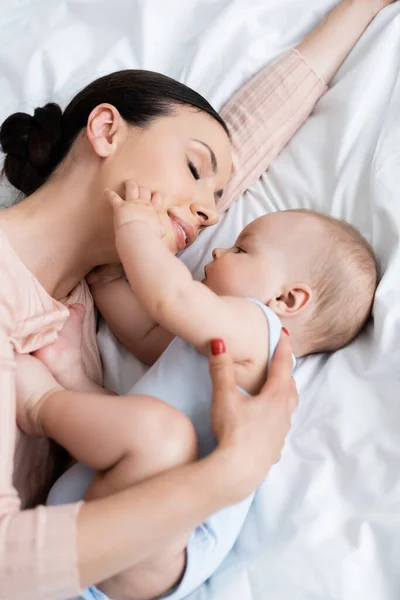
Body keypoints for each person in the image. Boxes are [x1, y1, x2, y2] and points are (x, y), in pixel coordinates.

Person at [0, 1, 396, 598]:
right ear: (105, 131)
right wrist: (229, 475)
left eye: (217, 200)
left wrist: (361, 8)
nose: (213, 214)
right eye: (194, 168)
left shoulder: (85, 309)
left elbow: (251, 136)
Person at [18, 196, 378, 600]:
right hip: (112, 527)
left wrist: (135, 231)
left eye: (241, 249)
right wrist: (107, 282)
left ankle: (41, 404)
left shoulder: (260, 328)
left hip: (162, 541)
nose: (220, 250)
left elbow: (171, 300)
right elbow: (147, 335)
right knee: (137, 419)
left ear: (286, 300)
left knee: (153, 430)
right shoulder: (222, 349)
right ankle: (74, 377)